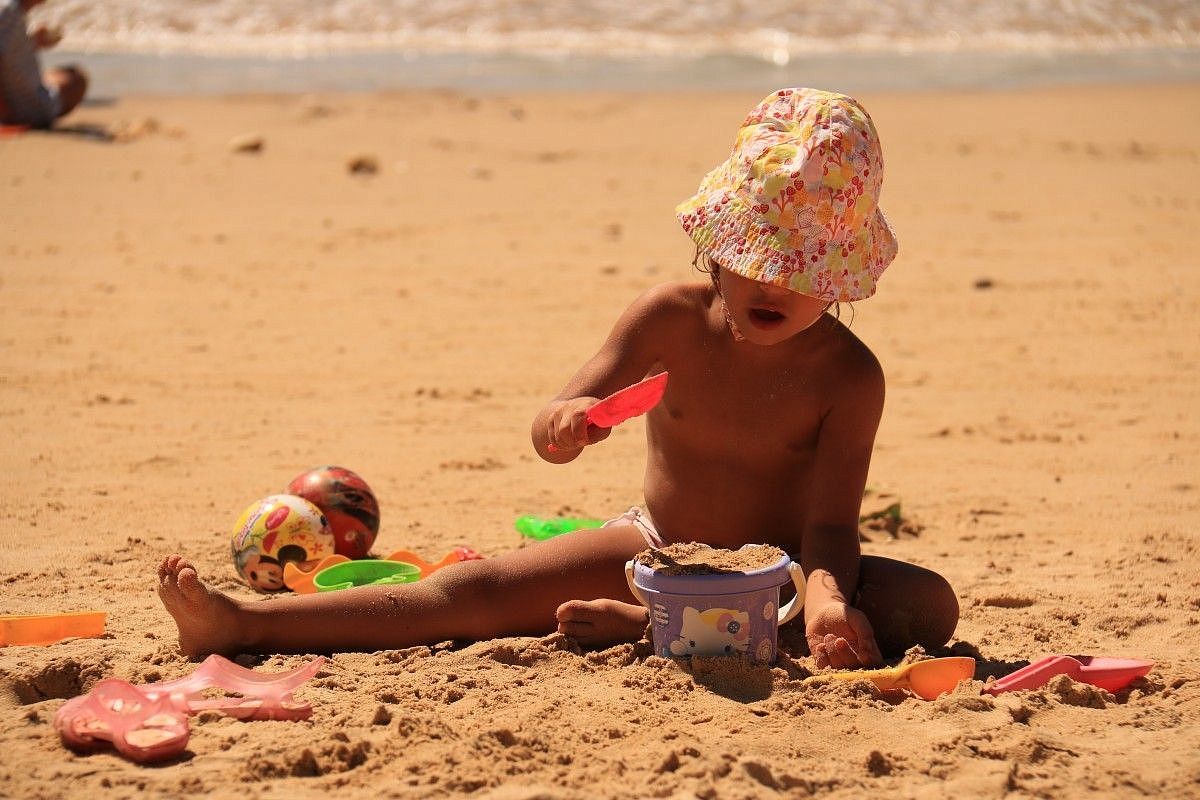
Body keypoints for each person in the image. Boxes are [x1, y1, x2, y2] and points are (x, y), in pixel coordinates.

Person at [157, 88, 959, 670]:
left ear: (842, 275)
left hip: (769, 576)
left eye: (800, 267)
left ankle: (657, 629)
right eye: (754, 258)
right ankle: (242, 624)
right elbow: (553, 426)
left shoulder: (849, 378)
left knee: (931, 607)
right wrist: (571, 422)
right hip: (655, 548)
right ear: (716, 241)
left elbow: (827, 534)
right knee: (471, 593)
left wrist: (822, 601)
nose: (772, 284)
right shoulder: (667, 319)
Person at [0, 0, 86, 128]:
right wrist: (5, 111)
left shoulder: (12, 11)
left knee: (69, 77)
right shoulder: (9, 11)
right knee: (77, 79)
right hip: (28, 109)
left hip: (20, 104)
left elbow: (9, 50)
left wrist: (33, 41)